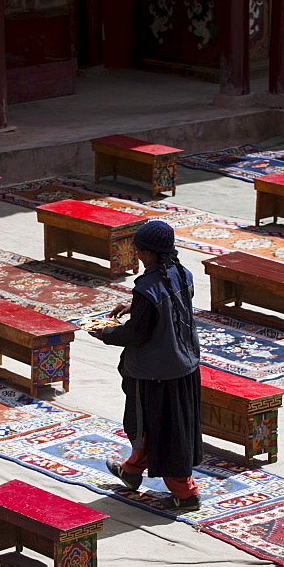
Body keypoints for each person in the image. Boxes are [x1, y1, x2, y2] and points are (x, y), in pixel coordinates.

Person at [90, 219, 203, 511]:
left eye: (138, 250)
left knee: (163, 430)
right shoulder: (182, 273)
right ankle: (131, 472)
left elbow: (137, 334)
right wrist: (134, 307)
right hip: (184, 363)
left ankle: (186, 494)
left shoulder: (147, 287)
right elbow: (168, 306)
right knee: (150, 426)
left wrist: (105, 333)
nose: (136, 254)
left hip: (156, 373)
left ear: (149, 254)